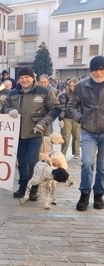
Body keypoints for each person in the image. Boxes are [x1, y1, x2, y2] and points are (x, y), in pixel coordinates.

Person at [2, 66, 61, 201]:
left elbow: (56, 108)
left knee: (32, 161)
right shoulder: (13, 93)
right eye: (21, 78)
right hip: (18, 134)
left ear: (32, 77)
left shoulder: (44, 92)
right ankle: (23, 186)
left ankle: (34, 188)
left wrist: (43, 122)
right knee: (22, 162)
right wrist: (9, 111)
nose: (24, 80)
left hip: (36, 133)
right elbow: (5, 107)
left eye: (26, 77)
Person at [66, 55, 104, 211]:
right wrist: (80, 118)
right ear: (90, 71)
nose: (98, 73)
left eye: (101, 69)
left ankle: (99, 194)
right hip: (88, 131)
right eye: (94, 70)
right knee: (87, 163)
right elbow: (71, 107)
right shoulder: (82, 86)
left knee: (102, 167)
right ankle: (85, 193)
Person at [58, 78, 81, 158]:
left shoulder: (81, 95)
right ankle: (62, 154)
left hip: (77, 118)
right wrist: (61, 119)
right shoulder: (63, 95)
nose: (72, 87)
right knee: (65, 137)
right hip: (66, 118)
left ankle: (76, 153)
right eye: (70, 86)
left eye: (74, 86)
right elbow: (62, 108)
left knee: (77, 136)